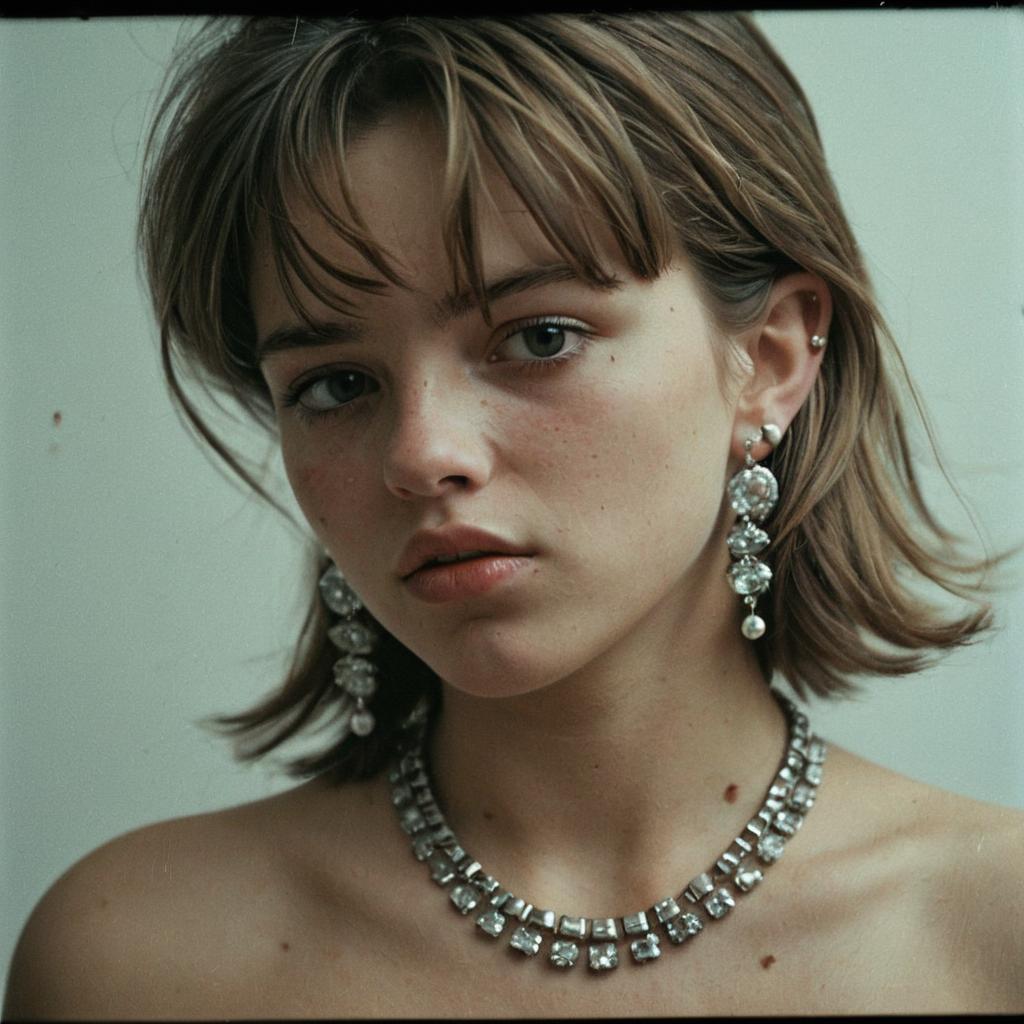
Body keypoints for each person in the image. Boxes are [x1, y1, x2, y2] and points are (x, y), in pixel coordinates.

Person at [4, 12, 1022, 1018]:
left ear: (767, 361)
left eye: (538, 337)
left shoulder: (992, 933)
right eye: (333, 385)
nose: (420, 453)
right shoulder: (136, 962)